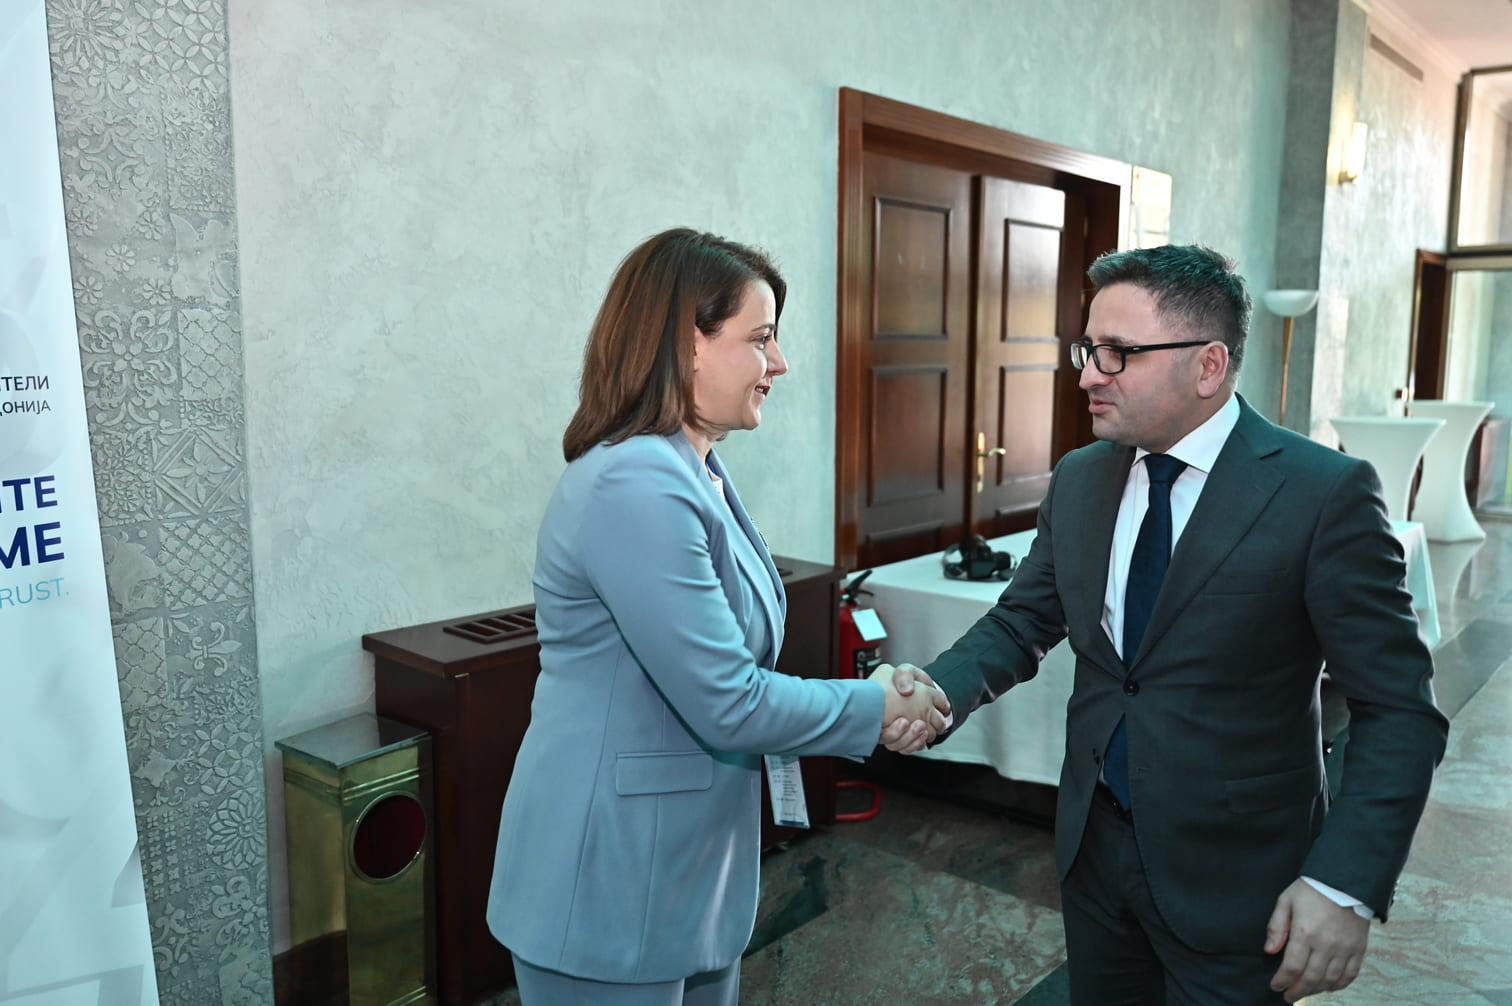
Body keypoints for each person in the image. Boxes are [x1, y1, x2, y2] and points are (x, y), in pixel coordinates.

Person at [891, 244, 1448, 1005]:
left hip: (1240, 879)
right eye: (1089, 348)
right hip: (1093, 852)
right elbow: (1024, 619)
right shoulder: (1081, 477)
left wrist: (1343, 883)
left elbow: (1399, 710)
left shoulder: (1321, 494)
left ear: (1208, 366)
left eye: (1118, 353)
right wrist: (937, 691)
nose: (1088, 375)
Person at [486, 227, 952, 1005]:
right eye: (761, 339)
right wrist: (876, 706)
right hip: (610, 879)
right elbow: (729, 698)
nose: (780, 363)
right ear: (686, 344)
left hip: (687, 872)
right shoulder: (635, 482)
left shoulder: (695, 466)